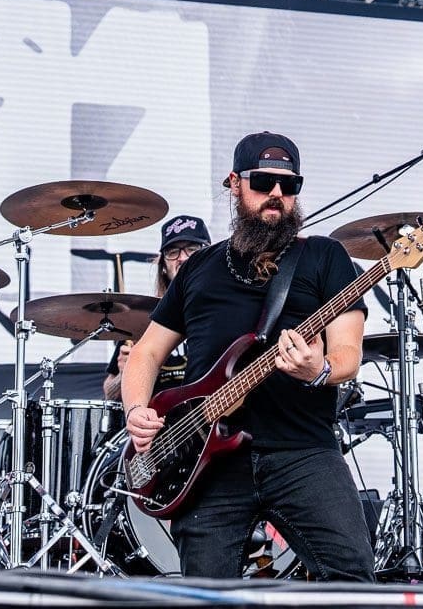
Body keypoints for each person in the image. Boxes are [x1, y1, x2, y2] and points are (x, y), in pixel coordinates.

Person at [121, 132, 376, 581]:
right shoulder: (199, 268)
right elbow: (146, 352)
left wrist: (319, 370)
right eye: (263, 181)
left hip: (303, 451)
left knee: (353, 582)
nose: (277, 194)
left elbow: (348, 352)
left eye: (289, 185)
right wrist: (137, 410)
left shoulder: (323, 256)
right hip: (207, 464)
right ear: (235, 184)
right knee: (207, 597)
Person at [101, 214, 210, 402]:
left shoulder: (222, 311)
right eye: (173, 252)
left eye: (192, 249)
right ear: (164, 267)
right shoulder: (144, 318)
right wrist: (123, 376)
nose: (182, 258)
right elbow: (109, 393)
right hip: (160, 427)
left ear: (210, 257)